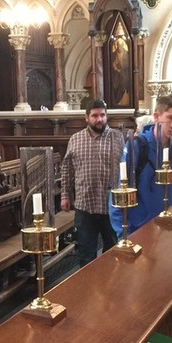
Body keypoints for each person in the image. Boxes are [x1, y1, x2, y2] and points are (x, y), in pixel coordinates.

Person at [108, 95, 172, 234]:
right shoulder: (138, 146)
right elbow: (119, 194)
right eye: (170, 118)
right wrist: (123, 234)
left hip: (169, 228)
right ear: (156, 117)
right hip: (140, 230)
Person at [60, 99, 123, 266]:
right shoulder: (75, 139)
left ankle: (111, 289)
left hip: (111, 205)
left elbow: (127, 167)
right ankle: (87, 291)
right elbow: (67, 170)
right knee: (86, 255)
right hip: (85, 204)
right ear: (86, 117)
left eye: (102, 115)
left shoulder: (118, 138)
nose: (99, 119)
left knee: (113, 253)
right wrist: (65, 195)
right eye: (95, 115)